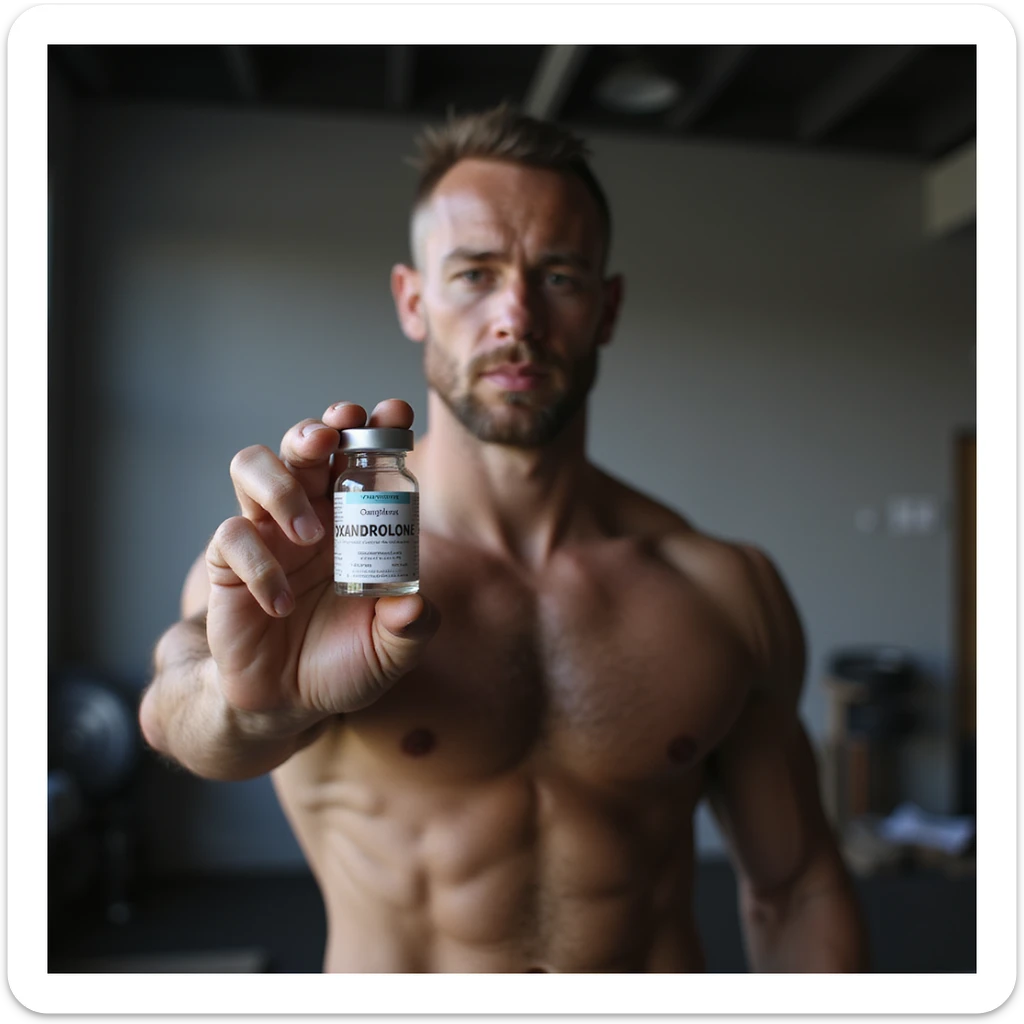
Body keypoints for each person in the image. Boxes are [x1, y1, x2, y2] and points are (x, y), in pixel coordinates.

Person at [140, 104, 869, 973]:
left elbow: (796, 888)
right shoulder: (316, 569)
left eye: (558, 276)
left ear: (607, 306)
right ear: (414, 301)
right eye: (476, 274)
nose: (516, 317)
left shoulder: (721, 590)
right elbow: (177, 703)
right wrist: (252, 702)